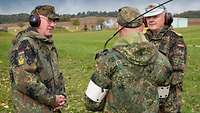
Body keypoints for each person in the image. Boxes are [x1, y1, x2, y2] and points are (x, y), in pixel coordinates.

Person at [84, 6, 172, 113]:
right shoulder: (163, 61)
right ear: (143, 26)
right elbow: (162, 98)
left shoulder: (108, 61)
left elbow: (91, 103)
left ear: (118, 27)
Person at [9, 5, 66, 113]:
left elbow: (56, 74)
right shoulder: (25, 44)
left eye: (55, 21)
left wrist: (61, 95)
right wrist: (52, 99)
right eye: (49, 20)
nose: (53, 24)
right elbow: (24, 80)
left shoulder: (46, 43)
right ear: (35, 20)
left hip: (50, 107)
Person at [143, 3, 187, 113]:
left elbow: (177, 73)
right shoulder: (142, 39)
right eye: (148, 17)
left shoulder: (175, 39)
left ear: (166, 18)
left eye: (155, 16)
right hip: (144, 96)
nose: (151, 20)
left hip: (167, 98)